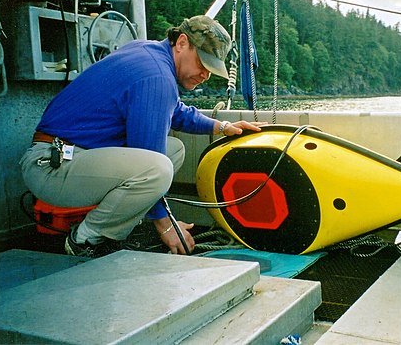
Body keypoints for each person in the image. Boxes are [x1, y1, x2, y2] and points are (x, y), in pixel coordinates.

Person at [20, 15, 263, 257]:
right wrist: (166, 225)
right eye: (203, 63)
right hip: (52, 167)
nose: (205, 75)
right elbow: (149, 158)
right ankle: (84, 240)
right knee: (158, 168)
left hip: (70, 158)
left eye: (211, 69)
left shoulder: (149, 53)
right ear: (181, 43)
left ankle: (116, 225)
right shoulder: (157, 77)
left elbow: (176, 111)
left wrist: (221, 127)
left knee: (173, 150)